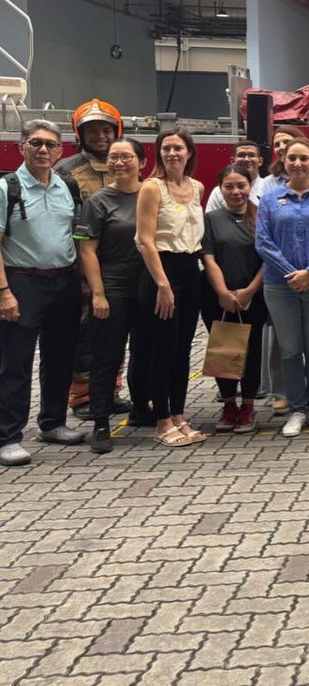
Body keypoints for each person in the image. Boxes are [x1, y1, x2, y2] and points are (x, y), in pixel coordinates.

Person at [0, 120, 86, 467]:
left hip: (63, 281)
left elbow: (75, 238)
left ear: (60, 151)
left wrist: (81, 284)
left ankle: (53, 423)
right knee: (14, 362)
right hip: (22, 282)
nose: (43, 150)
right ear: (22, 146)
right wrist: (4, 292)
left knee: (60, 356)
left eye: (50, 145)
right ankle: (7, 436)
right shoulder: (8, 188)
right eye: (35, 143)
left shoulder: (68, 186)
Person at [255, 136, 309, 438]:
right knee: (290, 349)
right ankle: (296, 408)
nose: (297, 163)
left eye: (304, 158)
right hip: (280, 286)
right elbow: (263, 242)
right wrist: (292, 273)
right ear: (284, 162)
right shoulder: (269, 200)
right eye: (292, 158)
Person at [77, 138, 149, 454]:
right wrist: (98, 294)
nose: (119, 162)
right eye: (113, 157)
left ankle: (142, 409)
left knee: (146, 352)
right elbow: (87, 250)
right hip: (113, 289)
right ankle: (101, 423)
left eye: (126, 156)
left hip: (148, 288)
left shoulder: (153, 195)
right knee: (107, 356)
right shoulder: (97, 202)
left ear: (142, 162)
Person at [57, 98, 127, 421]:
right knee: (84, 334)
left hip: (120, 265)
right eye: (92, 131)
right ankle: (82, 395)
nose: (100, 136)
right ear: (79, 134)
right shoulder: (66, 172)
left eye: (105, 130)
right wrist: (81, 273)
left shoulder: (125, 165)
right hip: (81, 266)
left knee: (116, 330)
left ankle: (111, 391)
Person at [136, 128, 206, 447]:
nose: (172, 154)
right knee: (162, 348)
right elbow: (145, 240)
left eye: (178, 148)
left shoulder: (197, 187)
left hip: (190, 270)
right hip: (161, 271)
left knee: (182, 348)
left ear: (189, 152)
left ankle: (179, 414)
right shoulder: (152, 188)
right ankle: (162, 419)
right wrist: (163, 284)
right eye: (166, 148)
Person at [202, 163, 267, 434]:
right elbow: (208, 258)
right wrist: (222, 293)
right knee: (223, 349)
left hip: (254, 295)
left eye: (241, 185)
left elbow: (268, 258)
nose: (236, 191)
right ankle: (229, 405)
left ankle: (248, 405)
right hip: (217, 296)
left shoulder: (262, 217)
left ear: (250, 187)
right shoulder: (211, 219)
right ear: (220, 188)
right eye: (229, 186)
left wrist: (249, 291)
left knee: (251, 350)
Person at [205, 140, 265, 210]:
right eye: (241, 155)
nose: (246, 159)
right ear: (232, 161)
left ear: (260, 161)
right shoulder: (218, 192)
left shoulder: (268, 187)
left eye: (251, 155)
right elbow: (211, 219)